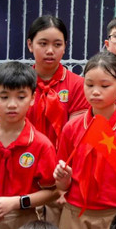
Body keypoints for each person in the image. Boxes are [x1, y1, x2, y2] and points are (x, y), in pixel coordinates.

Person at [54, 52, 116, 229]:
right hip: (75, 214)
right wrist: (62, 178)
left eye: (104, 85)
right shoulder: (71, 128)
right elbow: (62, 185)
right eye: (89, 84)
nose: (95, 91)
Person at [0, 62, 58, 229]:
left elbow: (54, 192)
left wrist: (17, 202)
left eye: (21, 97)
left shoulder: (41, 145)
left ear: (32, 98)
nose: (12, 104)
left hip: (21, 218)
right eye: (4, 97)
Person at [25, 15, 88, 148]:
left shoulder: (78, 85)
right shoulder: (20, 83)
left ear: (65, 47)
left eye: (57, 44)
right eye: (43, 44)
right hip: (25, 161)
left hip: (63, 163)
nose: (50, 51)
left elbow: (75, 133)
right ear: (30, 45)